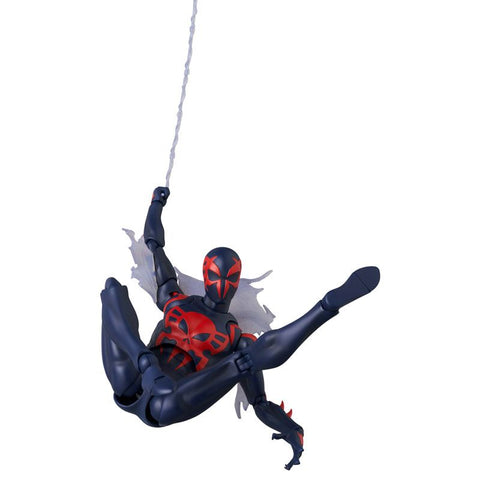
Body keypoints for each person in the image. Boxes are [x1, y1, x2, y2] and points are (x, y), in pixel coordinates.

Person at [101, 187, 380, 470]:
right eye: (216, 275)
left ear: (235, 281)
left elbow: (259, 401)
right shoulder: (175, 298)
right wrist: (156, 203)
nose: (222, 284)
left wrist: (292, 430)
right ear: (205, 274)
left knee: (244, 360)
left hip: (172, 401)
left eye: (228, 277)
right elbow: (154, 244)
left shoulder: (236, 338)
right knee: (112, 291)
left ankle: (324, 308)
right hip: (130, 377)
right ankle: (144, 360)